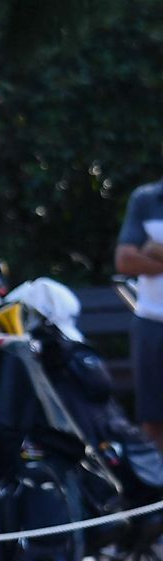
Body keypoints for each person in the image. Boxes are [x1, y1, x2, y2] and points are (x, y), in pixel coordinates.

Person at [114, 174, 163, 453]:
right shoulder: (145, 199)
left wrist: (156, 250)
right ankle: (158, 489)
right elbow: (124, 260)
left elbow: (136, 256)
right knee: (154, 419)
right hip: (151, 324)